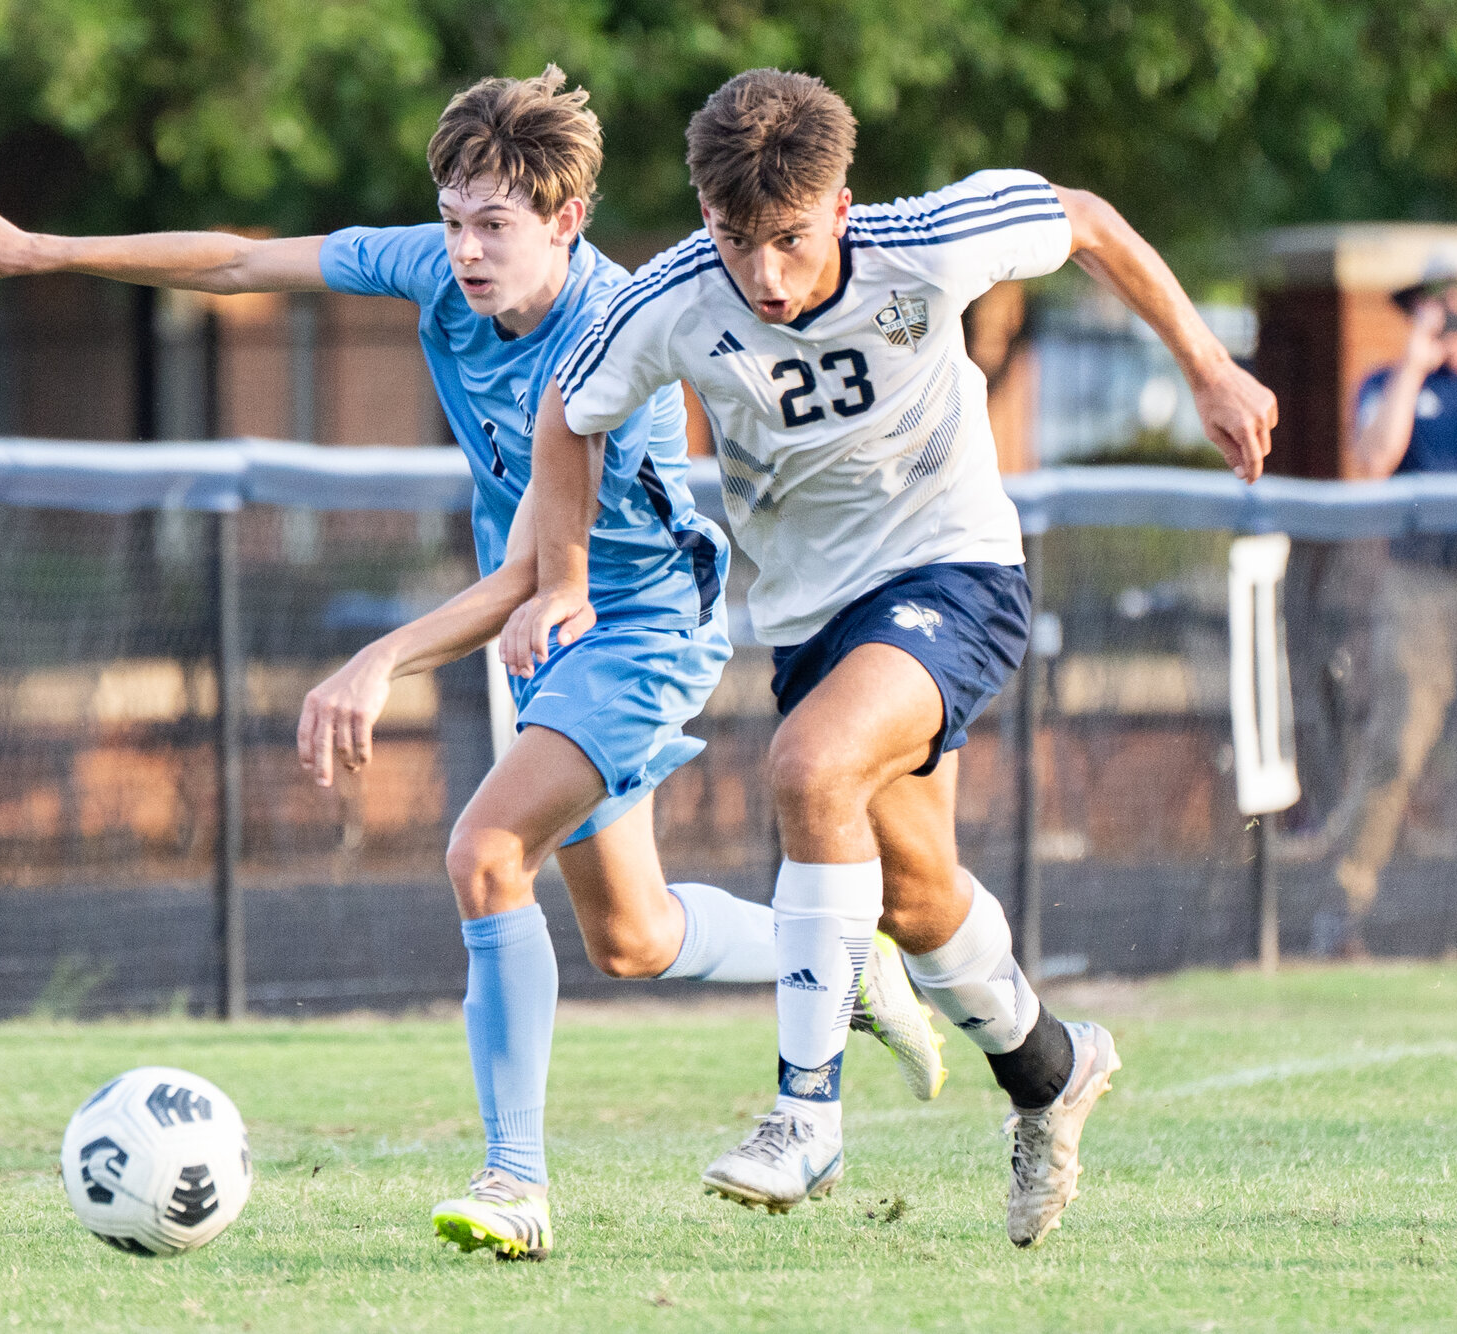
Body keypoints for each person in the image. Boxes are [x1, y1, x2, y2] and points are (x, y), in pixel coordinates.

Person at [0, 66, 945, 1263]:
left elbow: (535, 569)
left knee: (484, 851)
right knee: (634, 937)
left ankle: (514, 1180)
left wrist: (379, 659)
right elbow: (239, 261)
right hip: (546, 629)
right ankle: (839, 959)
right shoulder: (432, 268)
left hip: (639, 624)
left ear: (566, 220)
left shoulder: (615, 346)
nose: (465, 250)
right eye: (453, 220)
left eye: (494, 225)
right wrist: (41, 252)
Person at [505, 68, 1277, 1248]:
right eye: (735, 241)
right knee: (913, 897)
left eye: (790, 239)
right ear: (703, 218)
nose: (764, 275)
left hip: (953, 573)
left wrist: (1205, 367)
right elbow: (570, 408)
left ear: (842, 205)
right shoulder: (670, 297)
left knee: (808, 769)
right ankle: (1050, 1070)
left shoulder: (930, 242)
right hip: (814, 620)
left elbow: (1087, 220)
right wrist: (560, 576)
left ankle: (803, 1114)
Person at [1319, 251, 1457, 954]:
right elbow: (1374, 458)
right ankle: (1343, 910)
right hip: (1423, 580)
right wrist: (1418, 361)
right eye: (1441, 304)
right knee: (1399, 741)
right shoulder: (1388, 383)